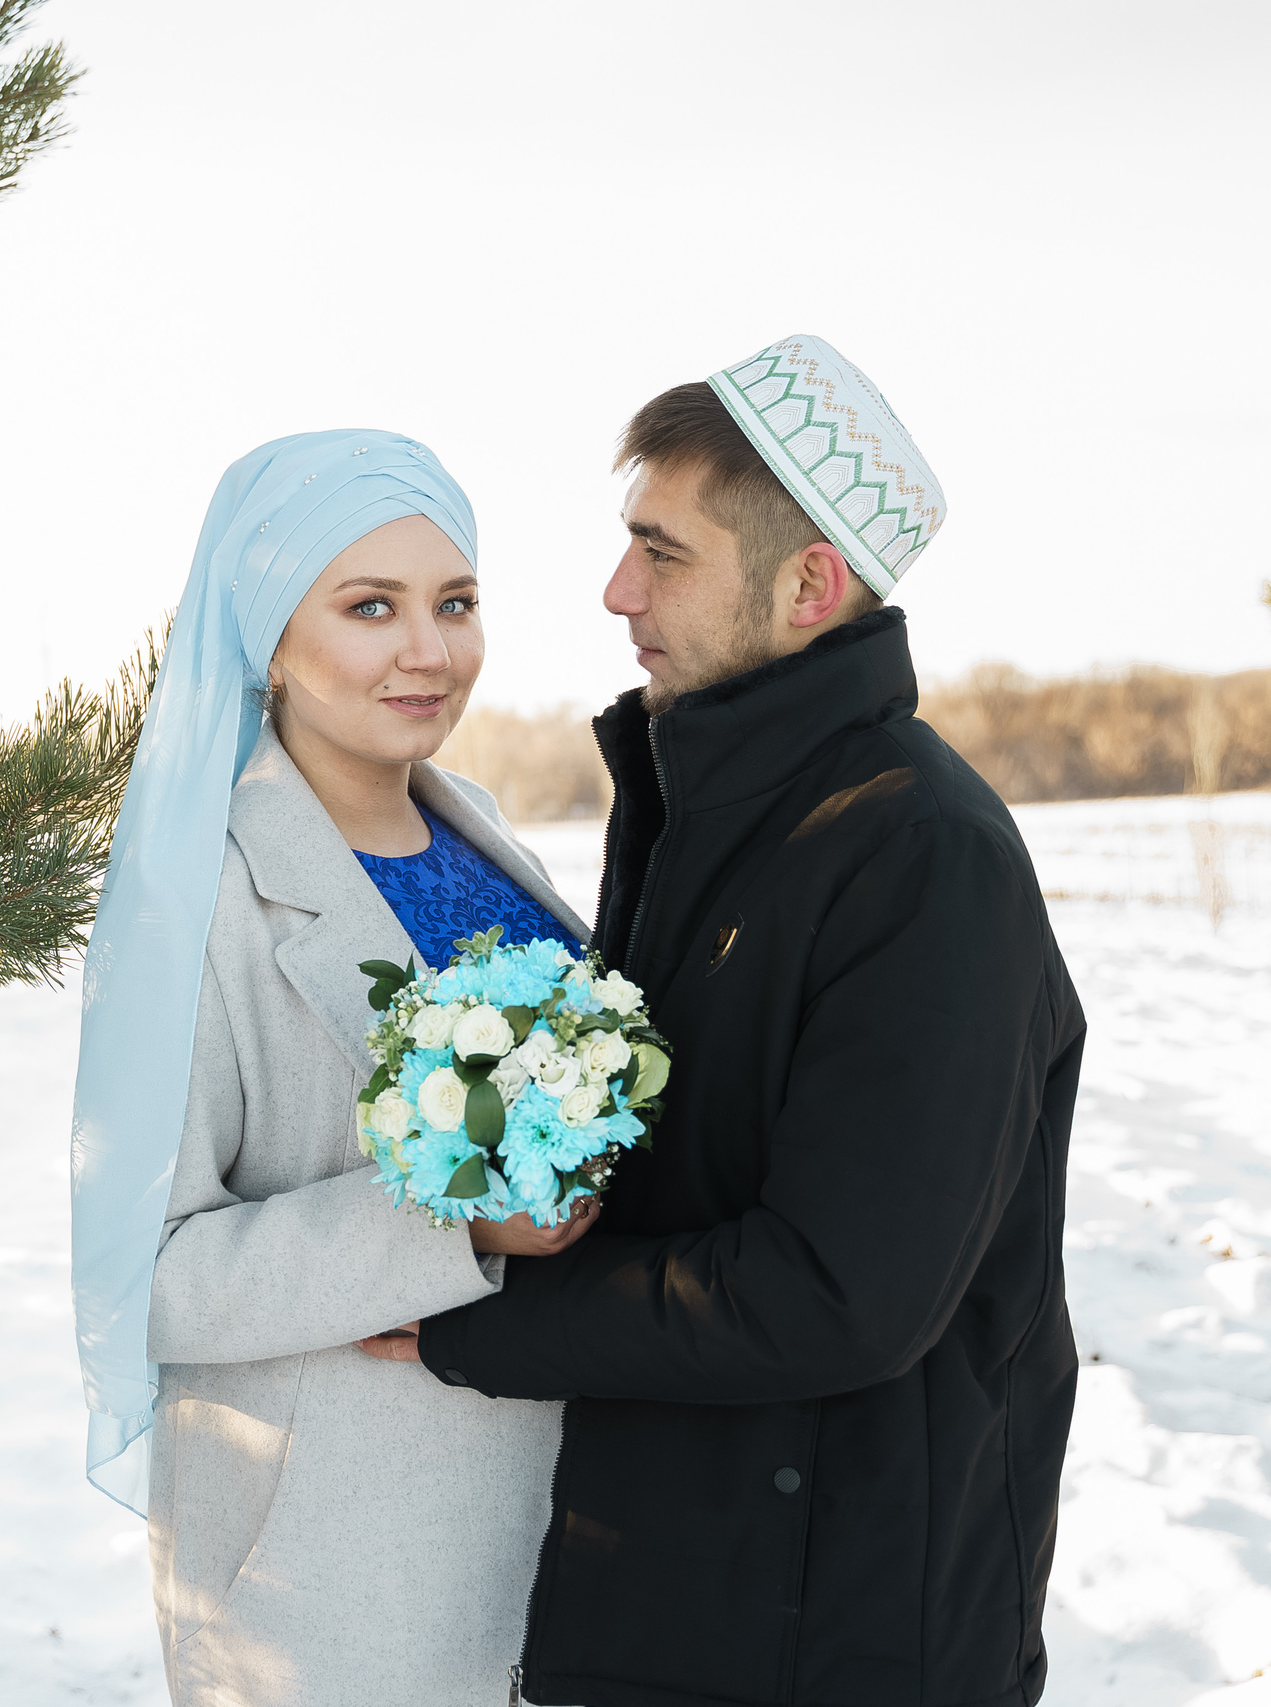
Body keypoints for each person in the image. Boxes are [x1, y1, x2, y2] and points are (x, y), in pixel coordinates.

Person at [361, 336, 1086, 1707]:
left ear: (810, 583)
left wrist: (489, 1314)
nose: (615, 589)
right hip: (683, 1589)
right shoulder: (702, 806)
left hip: (841, 1632)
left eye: (665, 553)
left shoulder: (922, 854)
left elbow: (840, 1295)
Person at [68, 430, 606, 1706]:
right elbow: (146, 1282)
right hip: (335, 1563)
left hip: (565, 1518)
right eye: (371, 607)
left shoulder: (485, 841)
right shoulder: (194, 896)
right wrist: (449, 1219)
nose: (429, 650)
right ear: (266, 635)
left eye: (455, 603)